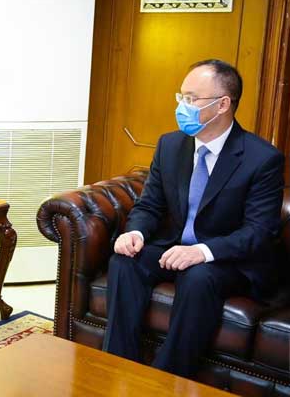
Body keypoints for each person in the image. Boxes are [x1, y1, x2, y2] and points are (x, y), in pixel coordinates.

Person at [102, 59, 285, 378]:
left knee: (198, 277)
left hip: (226, 260)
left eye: (191, 99)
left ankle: (165, 379)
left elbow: (258, 232)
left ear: (222, 104)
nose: (181, 107)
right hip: (174, 247)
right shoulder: (170, 145)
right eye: (180, 97)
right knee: (125, 262)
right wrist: (136, 233)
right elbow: (150, 205)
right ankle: (118, 367)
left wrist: (201, 252)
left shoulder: (262, 159)